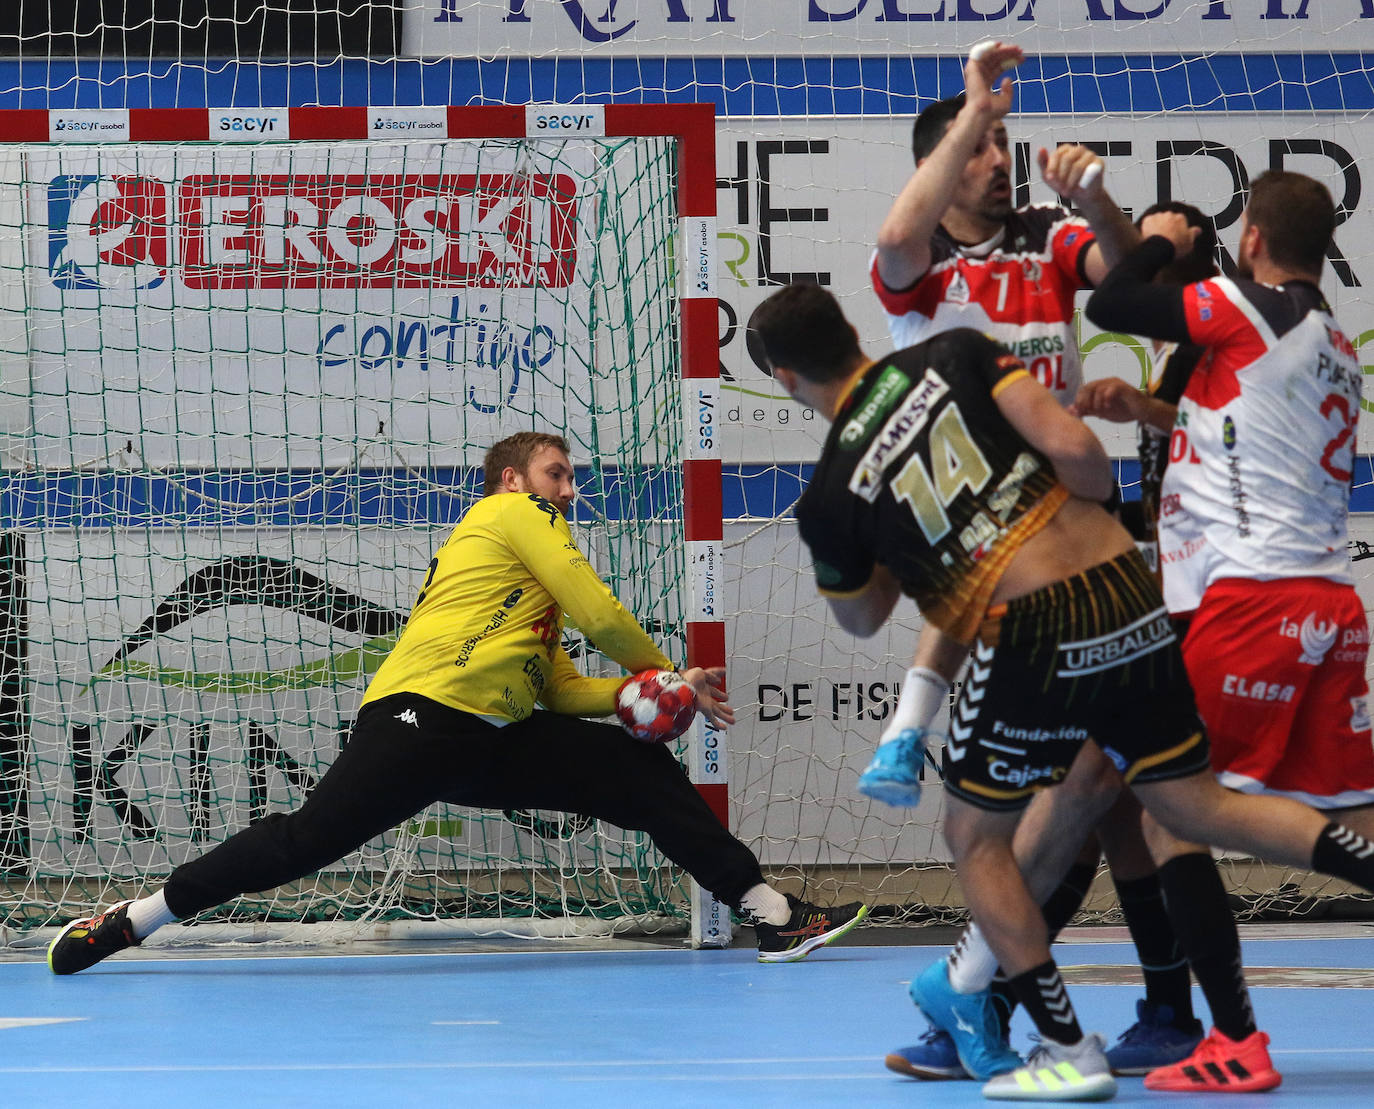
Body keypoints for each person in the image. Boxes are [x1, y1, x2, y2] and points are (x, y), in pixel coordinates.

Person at [748, 281, 1374, 1100]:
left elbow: (864, 616)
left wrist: (919, 545)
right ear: (853, 332)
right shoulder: (956, 353)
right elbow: (1079, 453)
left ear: (786, 378)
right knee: (1191, 804)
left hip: (1036, 624)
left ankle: (1068, 1046)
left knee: (974, 838)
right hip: (1127, 583)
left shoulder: (831, 495)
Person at [48, 431, 867, 974]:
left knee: (635, 767)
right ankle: (137, 918)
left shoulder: (521, 588)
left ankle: (771, 912)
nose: (571, 489)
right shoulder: (511, 513)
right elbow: (600, 611)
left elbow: (559, 687)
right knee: (302, 843)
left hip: (487, 736)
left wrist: (640, 694)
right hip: (422, 718)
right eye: (558, 473)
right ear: (513, 479)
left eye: (573, 478)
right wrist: (664, 667)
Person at [867, 39, 1201, 1080]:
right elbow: (895, 234)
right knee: (1090, 806)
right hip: (1006, 567)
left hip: (1082, 556)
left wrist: (1098, 201)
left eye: (1006, 139)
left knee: (1098, 802)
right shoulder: (921, 278)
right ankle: (1015, 998)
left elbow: (1122, 274)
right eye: (984, 146)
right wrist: (975, 106)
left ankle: (988, 998)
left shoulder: (1044, 238)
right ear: (947, 153)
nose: (1001, 156)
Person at [1082, 171, 1374, 1086]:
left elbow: (1114, 298)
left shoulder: (1248, 308)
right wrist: (1153, 410)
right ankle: (1205, 1027)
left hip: (1256, 601)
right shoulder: (1332, 339)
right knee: (1355, 815)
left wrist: (1162, 235)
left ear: (1251, 238)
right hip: (1331, 604)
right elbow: (1248, 426)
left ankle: (1236, 1044)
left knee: (1172, 812)